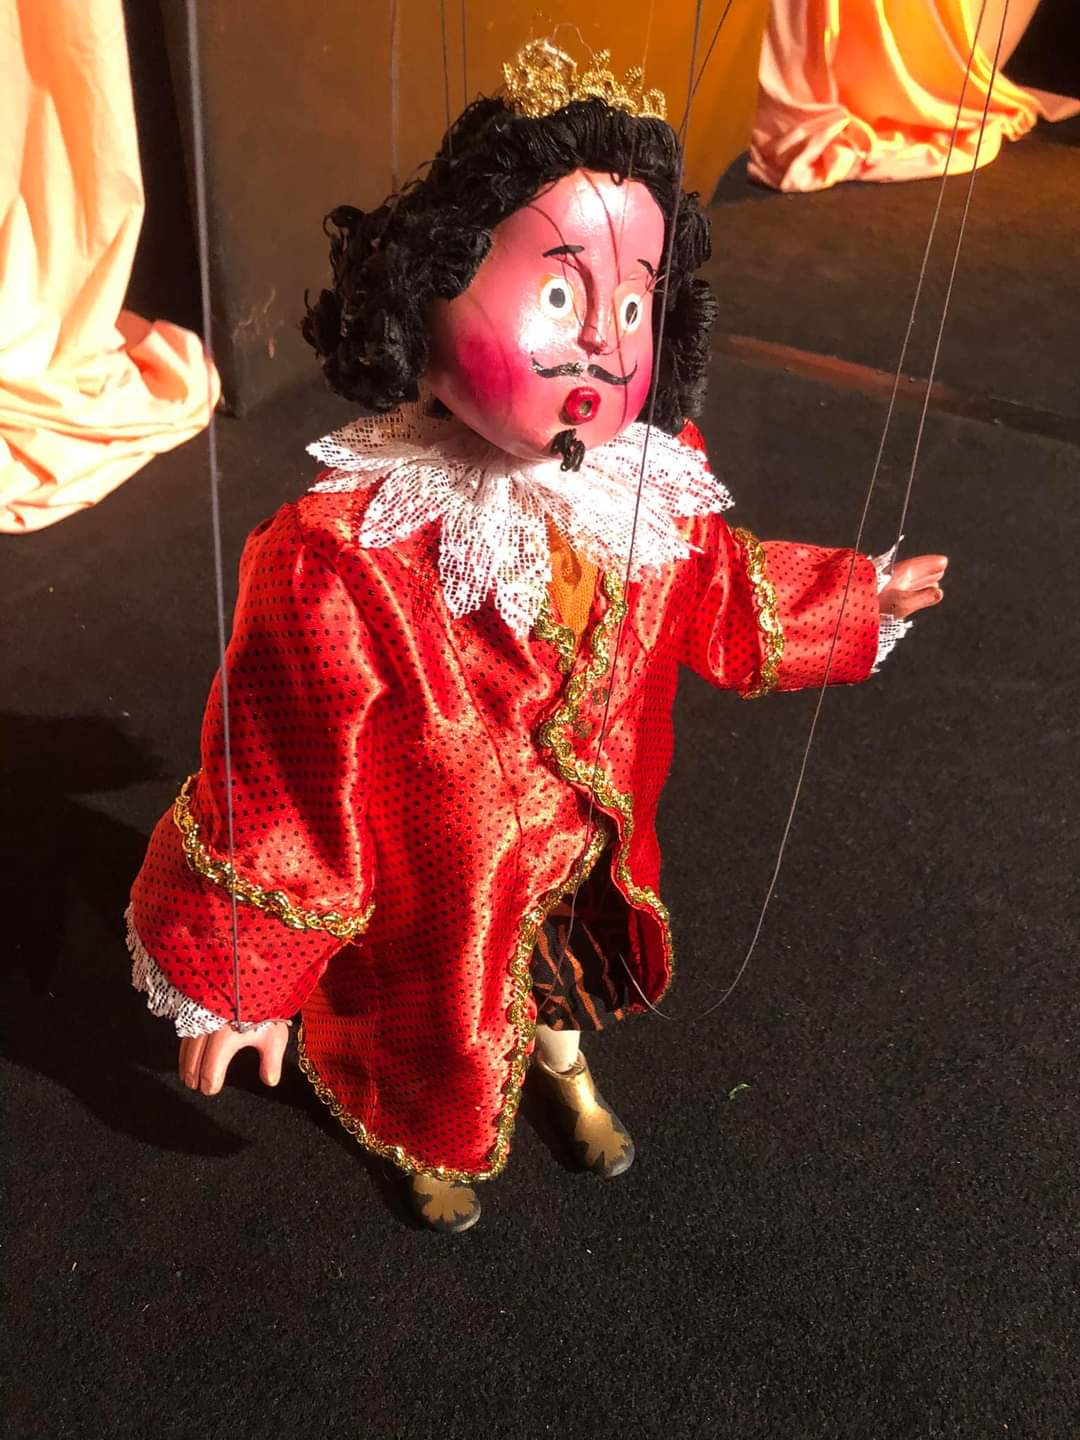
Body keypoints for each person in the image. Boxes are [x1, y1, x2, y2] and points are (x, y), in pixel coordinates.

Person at [127, 41, 947, 1234]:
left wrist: (858, 600)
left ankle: (566, 1074)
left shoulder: (649, 490)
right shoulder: (342, 553)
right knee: (430, 1014)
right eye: (559, 296)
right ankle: (416, 1131)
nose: (602, 343)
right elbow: (281, 773)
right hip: (428, 883)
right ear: (429, 287)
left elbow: (724, 592)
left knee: (565, 977)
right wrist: (243, 969)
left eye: (634, 303)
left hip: (586, 844)